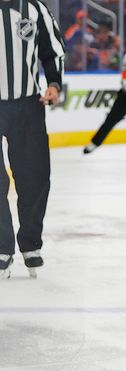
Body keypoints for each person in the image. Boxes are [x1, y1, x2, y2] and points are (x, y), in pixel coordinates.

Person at [0, 0, 65, 279]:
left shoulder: (35, 8)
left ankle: (30, 243)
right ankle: (2, 248)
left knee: (34, 175)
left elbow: (53, 51)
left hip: (27, 104)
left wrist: (53, 83)